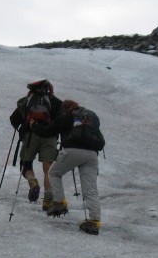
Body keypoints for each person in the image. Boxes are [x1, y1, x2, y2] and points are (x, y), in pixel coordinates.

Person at [30, 100, 105, 235]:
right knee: (90, 189)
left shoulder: (67, 116)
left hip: (72, 150)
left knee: (53, 173)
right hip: (92, 155)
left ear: (65, 109)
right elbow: (101, 142)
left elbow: (48, 132)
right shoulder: (91, 117)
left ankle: (60, 202)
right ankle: (95, 221)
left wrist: (34, 126)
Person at [9, 80, 63, 210]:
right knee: (48, 170)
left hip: (31, 135)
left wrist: (22, 127)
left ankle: (33, 182)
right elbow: (62, 120)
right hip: (49, 136)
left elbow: (13, 119)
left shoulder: (27, 100)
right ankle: (48, 198)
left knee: (25, 164)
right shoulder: (55, 101)